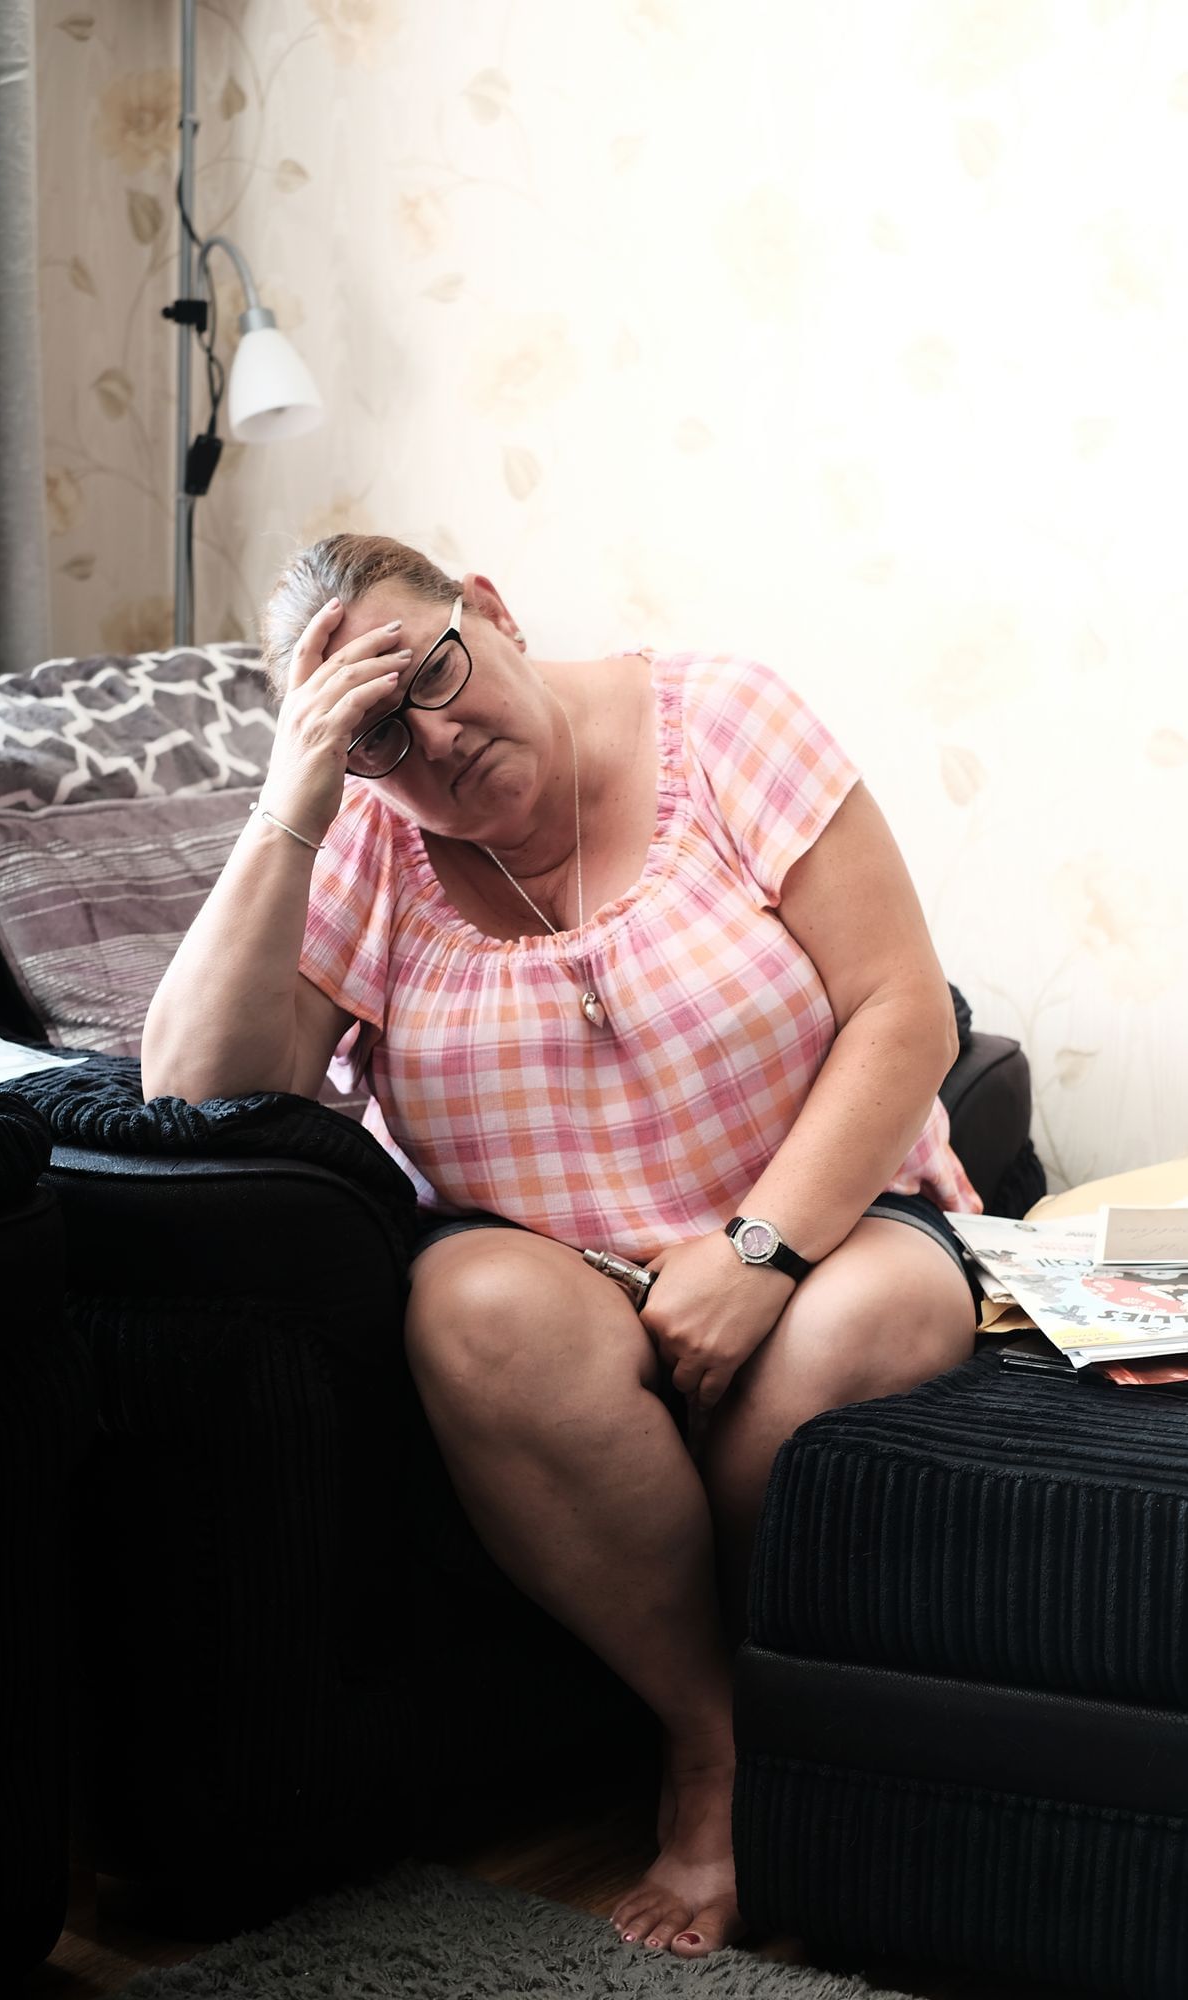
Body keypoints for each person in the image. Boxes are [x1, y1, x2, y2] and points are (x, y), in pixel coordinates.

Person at [141, 534, 983, 1960]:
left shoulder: (718, 717)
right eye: (380, 737)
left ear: (491, 611)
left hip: (826, 1223)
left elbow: (904, 1007)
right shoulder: (367, 834)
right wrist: (296, 793)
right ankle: (709, 1745)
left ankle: (759, 1683)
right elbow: (194, 1088)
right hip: (564, 1273)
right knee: (469, 1307)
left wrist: (757, 1250)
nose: (439, 743)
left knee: (868, 1330)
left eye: (435, 676)